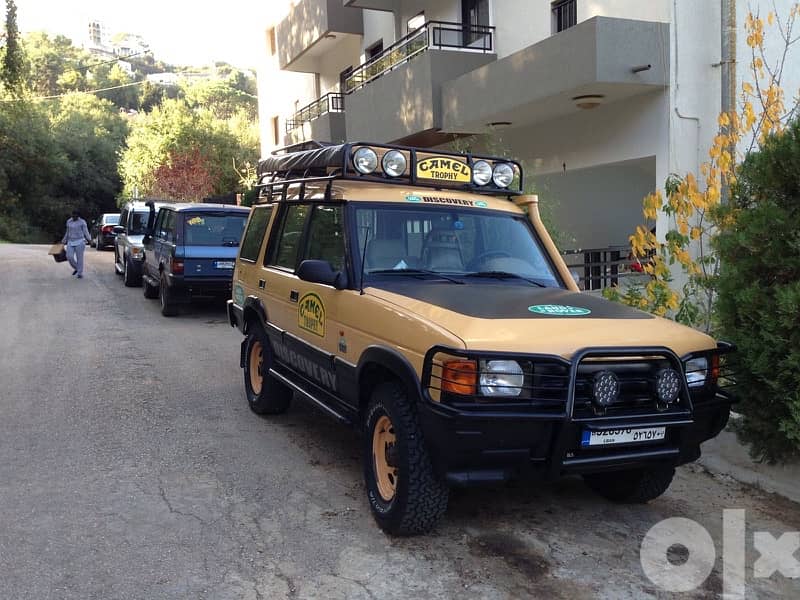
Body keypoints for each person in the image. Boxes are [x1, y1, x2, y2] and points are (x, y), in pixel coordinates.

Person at [61, 210, 92, 279]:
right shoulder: (69, 221)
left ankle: (80, 273)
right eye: (73, 215)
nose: (74, 216)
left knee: (79, 258)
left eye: (75, 215)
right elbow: (67, 232)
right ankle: (77, 268)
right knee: (69, 256)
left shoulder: (82, 222)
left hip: (80, 241)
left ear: (78, 216)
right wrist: (63, 241)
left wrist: (89, 240)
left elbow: (86, 232)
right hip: (70, 241)